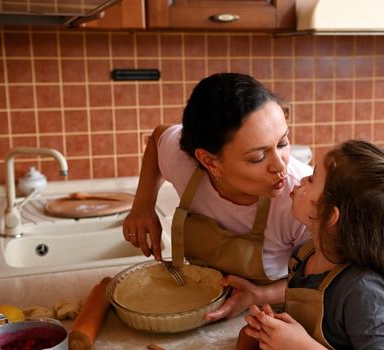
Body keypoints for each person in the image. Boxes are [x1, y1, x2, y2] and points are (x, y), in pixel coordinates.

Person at [122, 72, 312, 320]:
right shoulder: (183, 162)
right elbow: (160, 136)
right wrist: (143, 204)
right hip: (199, 301)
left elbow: (328, 280)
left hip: (271, 315)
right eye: (258, 157)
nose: (280, 166)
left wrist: (259, 295)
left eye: (282, 143)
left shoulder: (302, 198)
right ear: (209, 161)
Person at [235, 140, 384, 349]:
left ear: (329, 215)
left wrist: (300, 346)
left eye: (311, 179)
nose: (300, 180)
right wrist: (270, 330)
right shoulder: (303, 255)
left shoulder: (365, 292)